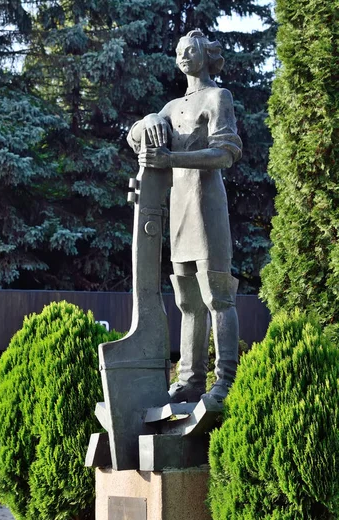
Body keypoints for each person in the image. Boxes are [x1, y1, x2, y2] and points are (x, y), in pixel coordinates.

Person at [127, 29, 242, 408]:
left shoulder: (217, 97)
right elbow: (134, 136)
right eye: (178, 51)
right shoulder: (172, 107)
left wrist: (172, 159)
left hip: (207, 207)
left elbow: (225, 153)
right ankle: (190, 380)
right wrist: (146, 121)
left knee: (217, 297)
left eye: (190, 50)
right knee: (188, 301)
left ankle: (226, 381)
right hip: (178, 212)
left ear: (207, 56)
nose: (183, 56)